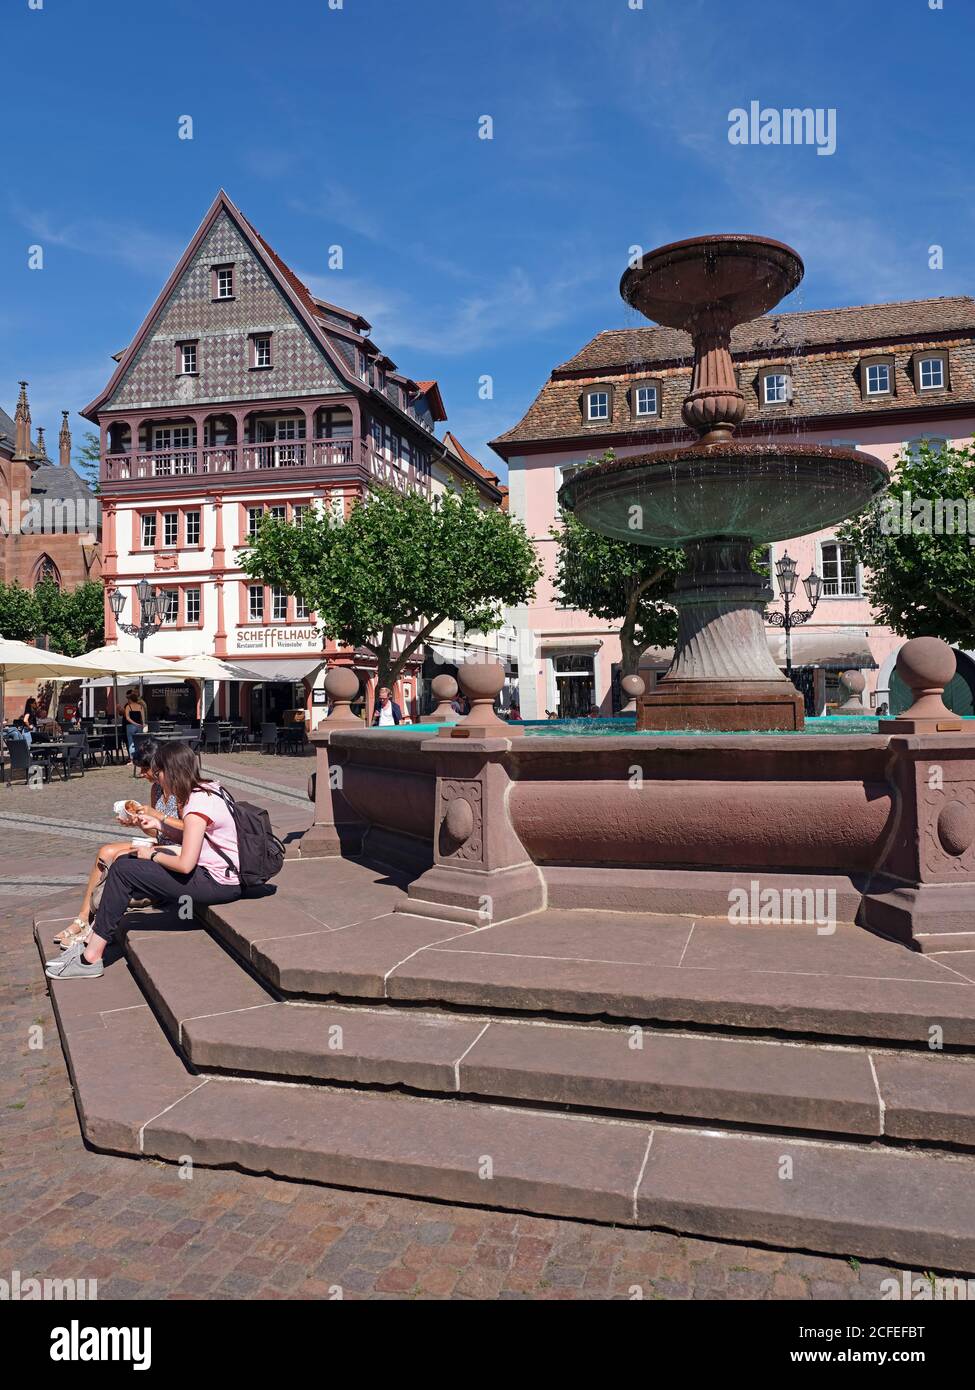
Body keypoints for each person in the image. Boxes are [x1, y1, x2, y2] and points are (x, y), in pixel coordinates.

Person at [46, 741, 242, 981]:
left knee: (123, 870)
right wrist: (159, 827)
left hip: (216, 882)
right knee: (124, 865)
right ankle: (90, 942)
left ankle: (91, 957)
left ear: (170, 771)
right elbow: (192, 839)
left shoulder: (197, 803)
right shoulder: (207, 789)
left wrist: (151, 855)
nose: (156, 779)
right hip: (215, 874)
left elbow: (185, 864)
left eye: (157, 772)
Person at [51, 740, 182, 951]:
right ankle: (83, 918)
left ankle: (99, 925)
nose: (141, 774)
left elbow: (187, 830)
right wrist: (137, 822)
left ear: (160, 766)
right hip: (159, 842)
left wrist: (159, 816)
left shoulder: (180, 790)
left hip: (175, 850)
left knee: (119, 858)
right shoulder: (157, 790)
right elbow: (155, 831)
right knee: (105, 852)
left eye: (145, 769)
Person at [122, 687, 148, 762]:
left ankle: (133, 758)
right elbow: (143, 718)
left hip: (130, 726)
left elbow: (127, 718)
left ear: (130, 699)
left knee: (131, 743)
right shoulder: (140, 706)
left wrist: (134, 723)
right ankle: (140, 756)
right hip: (139, 726)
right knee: (139, 742)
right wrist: (142, 725)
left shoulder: (128, 706)